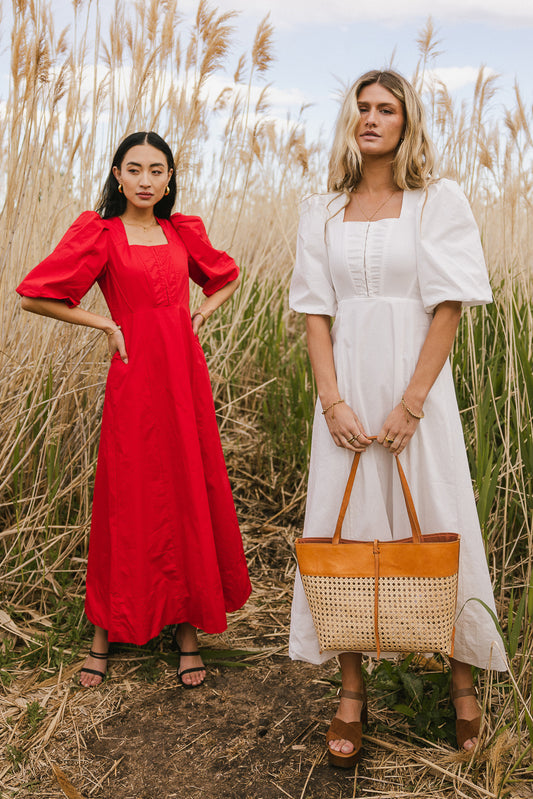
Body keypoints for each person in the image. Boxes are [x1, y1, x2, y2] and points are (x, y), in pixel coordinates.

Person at [288, 70, 506, 766]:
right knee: (345, 527)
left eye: (386, 108)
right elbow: (315, 313)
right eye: (361, 107)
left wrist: (412, 401)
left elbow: (449, 303)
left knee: (437, 516)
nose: (371, 118)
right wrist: (331, 400)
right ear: (347, 121)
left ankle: (461, 683)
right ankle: (351, 690)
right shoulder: (320, 210)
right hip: (346, 388)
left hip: (416, 388)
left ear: (406, 120)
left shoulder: (436, 200)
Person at [17, 131, 251, 689]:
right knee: (127, 495)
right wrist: (104, 323)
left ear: (170, 177)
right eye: (135, 169)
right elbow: (33, 294)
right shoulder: (100, 233)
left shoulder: (180, 231)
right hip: (134, 374)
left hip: (183, 375)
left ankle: (186, 626)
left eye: (157, 170)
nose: (146, 180)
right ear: (117, 175)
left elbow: (225, 276)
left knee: (186, 488)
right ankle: (105, 631)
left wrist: (197, 315)